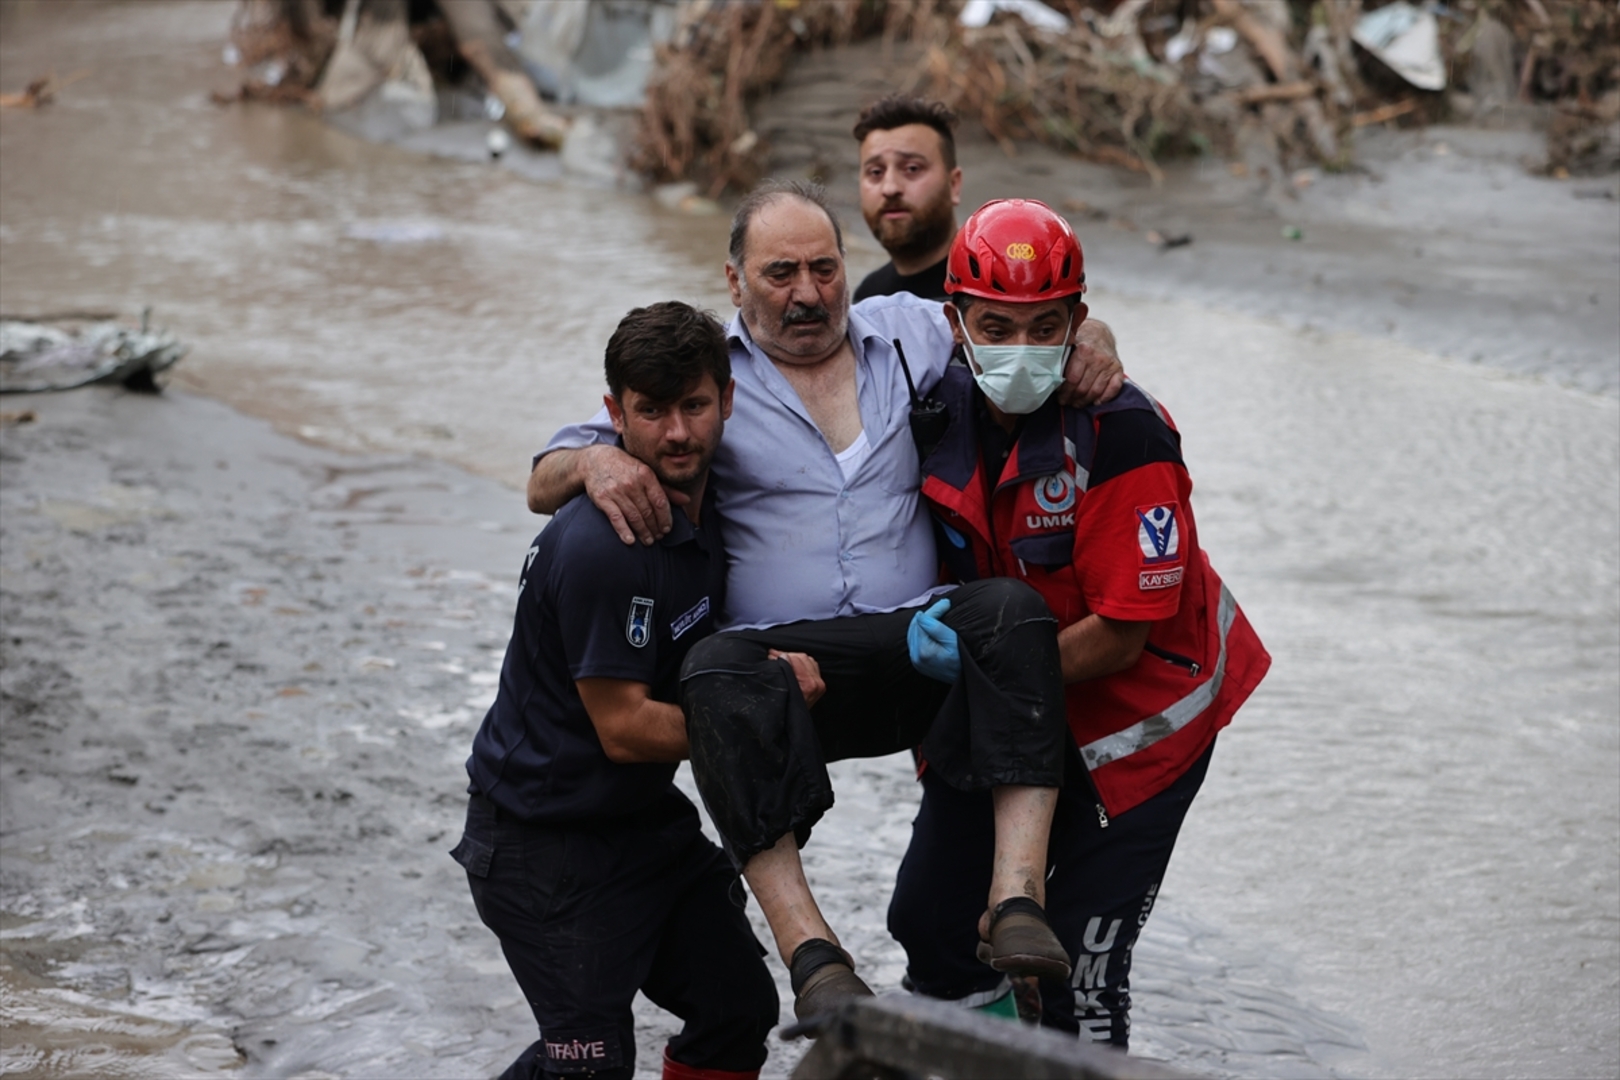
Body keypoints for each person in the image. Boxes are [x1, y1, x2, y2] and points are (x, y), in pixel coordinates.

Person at [527, 181, 1129, 1023]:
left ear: (849, 269)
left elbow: (1023, 317)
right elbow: (545, 473)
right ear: (735, 283)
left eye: (823, 268)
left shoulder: (911, 330)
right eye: (780, 273)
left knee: (1009, 610)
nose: (807, 293)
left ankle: (1016, 901)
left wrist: (1094, 336)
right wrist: (594, 466)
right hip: (786, 672)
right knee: (710, 668)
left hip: (922, 648)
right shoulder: (705, 383)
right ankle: (814, 955)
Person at [886, 199, 1272, 1046]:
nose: (1019, 349)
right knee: (928, 921)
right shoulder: (932, 408)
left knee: (1078, 973)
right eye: (996, 326)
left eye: (1044, 327)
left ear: (1077, 324)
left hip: (1137, 728)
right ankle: (983, 1051)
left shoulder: (1122, 434)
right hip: (1010, 695)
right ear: (956, 322)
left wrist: (984, 679)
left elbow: (1124, 633)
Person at [452, 302, 781, 1080]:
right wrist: (770, 710)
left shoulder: (712, 502)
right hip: (542, 845)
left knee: (739, 1009)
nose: (676, 433)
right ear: (613, 415)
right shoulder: (607, 544)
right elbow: (626, 729)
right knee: (591, 1066)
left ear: (727, 401)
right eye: (651, 411)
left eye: (695, 406)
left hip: (640, 825)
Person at [851, 94, 961, 303]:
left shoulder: (994, 288)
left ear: (954, 184)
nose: (890, 188)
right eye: (875, 172)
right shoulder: (869, 298)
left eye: (912, 168)